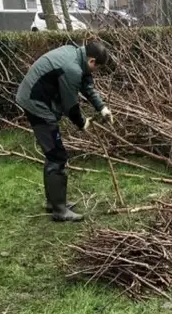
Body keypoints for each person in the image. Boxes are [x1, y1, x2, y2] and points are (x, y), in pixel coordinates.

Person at [15, 41, 112, 222]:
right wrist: (82, 123)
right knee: (57, 155)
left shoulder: (75, 53)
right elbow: (70, 106)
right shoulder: (72, 69)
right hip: (35, 103)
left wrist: (102, 108)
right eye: (97, 68)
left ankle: (54, 202)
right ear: (92, 61)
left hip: (36, 97)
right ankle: (59, 210)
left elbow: (87, 86)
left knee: (52, 154)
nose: (96, 71)